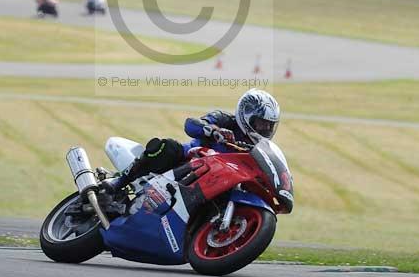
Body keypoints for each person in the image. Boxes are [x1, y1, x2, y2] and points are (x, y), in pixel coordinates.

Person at [98, 89, 291, 210]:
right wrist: (213, 130)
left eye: (269, 125)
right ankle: (119, 182)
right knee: (166, 146)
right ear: (245, 114)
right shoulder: (225, 120)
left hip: (217, 180)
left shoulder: (257, 148)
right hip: (189, 161)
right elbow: (191, 124)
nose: (265, 129)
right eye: (261, 123)